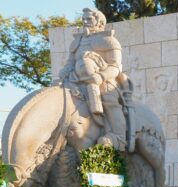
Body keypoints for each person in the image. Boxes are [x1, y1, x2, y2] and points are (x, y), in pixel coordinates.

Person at [54, 8, 127, 151]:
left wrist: (100, 77)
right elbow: (70, 64)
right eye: (83, 19)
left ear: (99, 22)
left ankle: (120, 137)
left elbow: (115, 67)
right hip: (75, 80)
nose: (85, 22)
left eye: (89, 19)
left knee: (109, 99)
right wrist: (61, 76)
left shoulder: (109, 41)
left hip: (102, 81)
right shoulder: (76, 42)